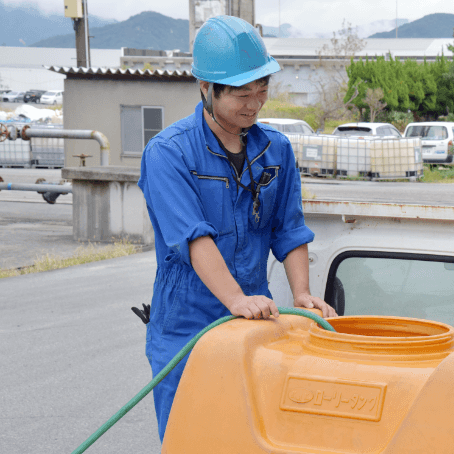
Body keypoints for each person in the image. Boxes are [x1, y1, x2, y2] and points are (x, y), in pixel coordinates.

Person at [137, 15, 337, 441]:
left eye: (262, 90)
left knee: (248, 437)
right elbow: (194, 236)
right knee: (188, 438)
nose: (254, 103)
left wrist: (301, 294)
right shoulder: (168, 154)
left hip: (251, 319)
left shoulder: (276, 149)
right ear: (206, 89)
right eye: (242, 94)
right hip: (186, 324)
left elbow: (289, 229)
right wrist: (235, 299)